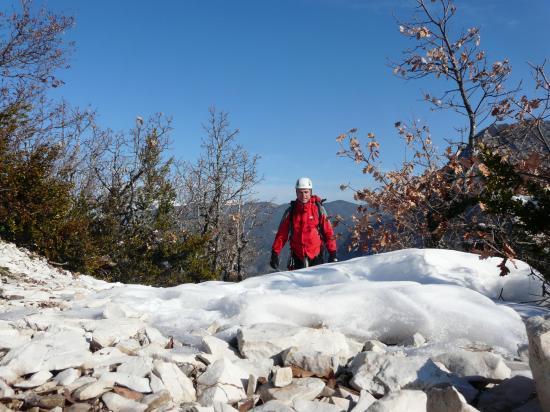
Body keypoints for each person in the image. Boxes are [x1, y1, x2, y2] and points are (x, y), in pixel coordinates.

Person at [270, 177, 338, 270]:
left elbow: (328, 232)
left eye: (306, 192)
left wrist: (333, 253)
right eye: (300, 192)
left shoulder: (318, 209)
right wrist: (275, 253)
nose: (303, 195)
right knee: (297, 283)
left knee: (317, 283)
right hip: (297, 256)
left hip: (316, 255)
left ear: (310, 192)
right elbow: (282, 234)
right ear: (296, 193)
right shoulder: (291, 212)